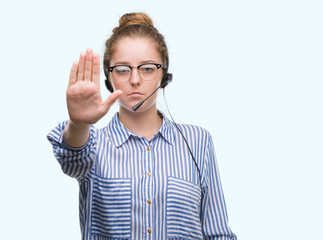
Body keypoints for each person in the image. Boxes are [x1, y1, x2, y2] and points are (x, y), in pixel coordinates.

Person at [47, 12, 236, 240]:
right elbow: (72, 159)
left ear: (163, 74)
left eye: (147, 68)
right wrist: (78, 124)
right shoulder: (93, 144)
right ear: (109, 79)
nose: (135, 80)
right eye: (123, 70)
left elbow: (219, 235)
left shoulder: (198, 141)